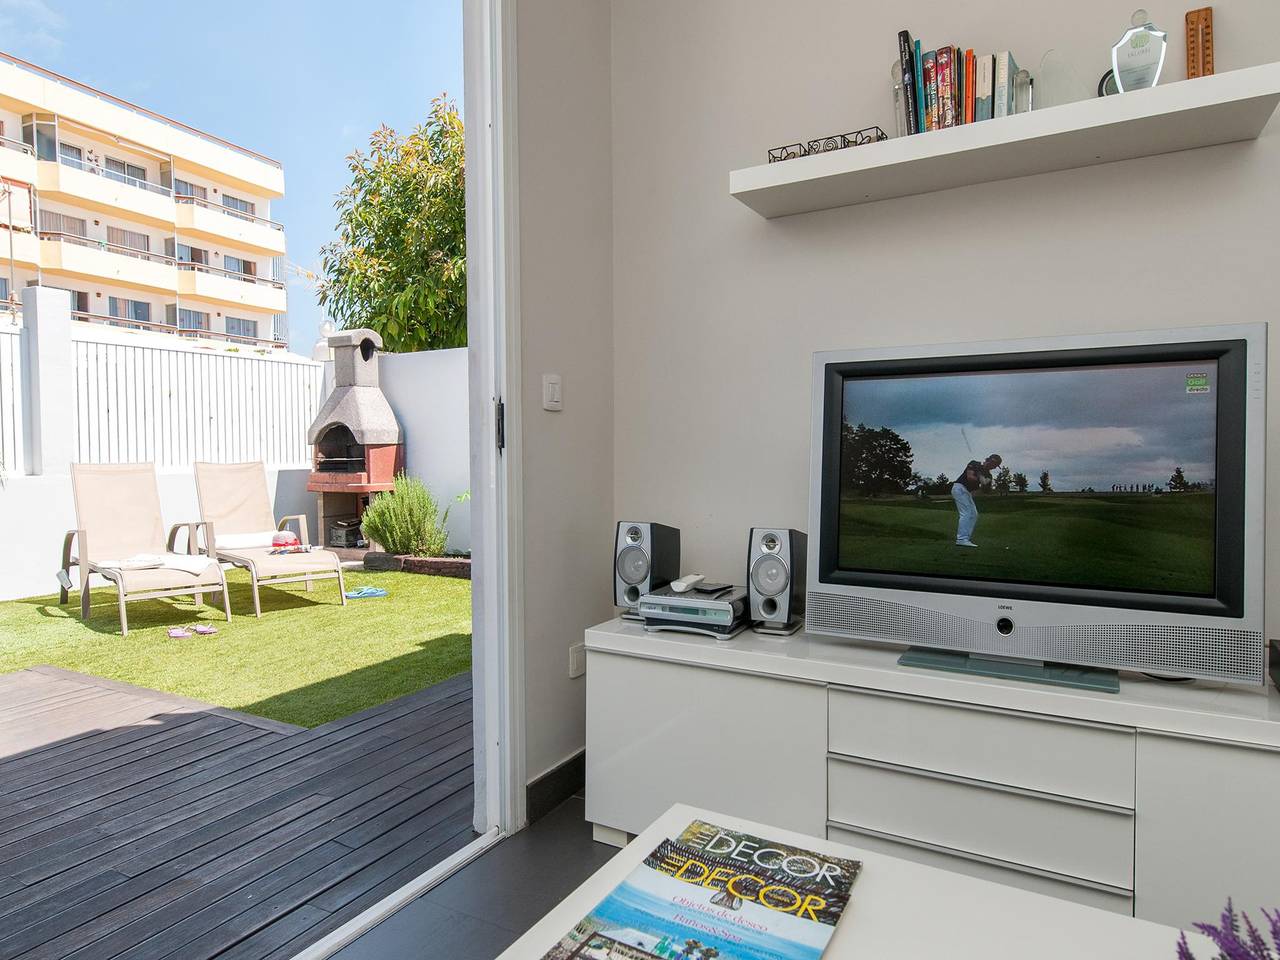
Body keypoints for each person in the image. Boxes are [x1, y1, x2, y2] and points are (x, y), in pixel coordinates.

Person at [952, 454, 1001, 548]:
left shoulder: (989, 475)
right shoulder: (974, 464)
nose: (994, 467)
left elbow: (986, 490)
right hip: (959, 488)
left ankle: (965, 538)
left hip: (966, 492)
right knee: (966, 513)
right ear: (990, 461)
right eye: (994, 465)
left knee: (974, 514)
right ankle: (961, 539)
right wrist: (979, 477)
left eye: (996, 466)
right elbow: (970, 477)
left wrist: (985, 484)